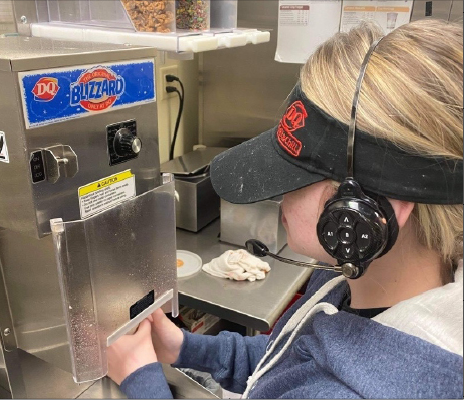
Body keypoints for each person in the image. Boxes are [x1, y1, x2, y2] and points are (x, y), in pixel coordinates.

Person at [107, 19, 463, 398]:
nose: (277, 198)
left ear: (363, 214)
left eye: (293, 180)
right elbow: (288, 357)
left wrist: (141, 381)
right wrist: (184, 348)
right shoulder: (352, 280)